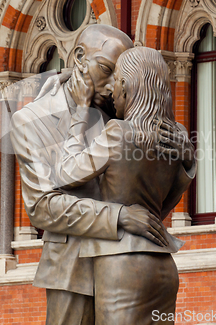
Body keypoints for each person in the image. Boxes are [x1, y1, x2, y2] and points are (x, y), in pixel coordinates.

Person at [10, 25, 190, 325]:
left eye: (117, 75)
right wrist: (118, 216)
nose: (110, 86)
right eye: (105, 69)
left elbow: (149, 207)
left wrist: (182, 162)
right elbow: (42, 207)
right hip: (72, 273)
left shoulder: (124, 113)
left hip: (130, 266)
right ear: (80, 57)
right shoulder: (31, 120)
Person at [57, 46, 196, 325]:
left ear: (126, 85)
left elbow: (65, 173)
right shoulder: (177, 136)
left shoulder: (118, 132)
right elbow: (165, 206)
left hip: (120, 265)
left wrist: (80, 113)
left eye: (117, 81)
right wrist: (189, 162)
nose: (111, 92)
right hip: (163, 267)